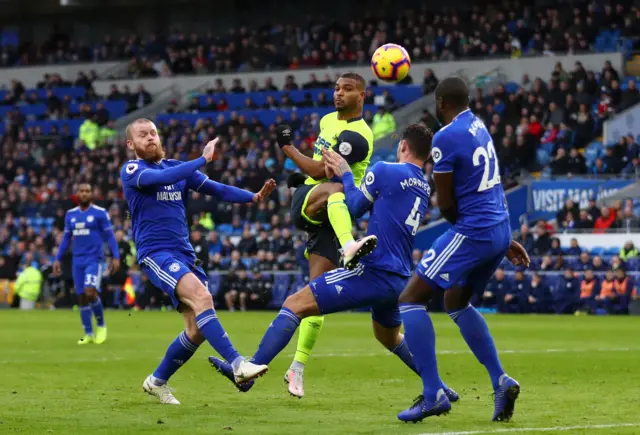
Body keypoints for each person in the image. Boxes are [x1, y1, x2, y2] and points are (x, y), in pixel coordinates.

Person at [209, 124, 458, 403]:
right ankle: (438, 386)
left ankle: (247, 372)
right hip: (399, 277)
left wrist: (347, 175)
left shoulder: (385, 170)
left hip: (373, 272)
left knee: (295, 304)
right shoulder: (423, 186)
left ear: (403, 146)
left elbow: (352, 206)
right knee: (388, 337)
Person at [394, 77, 529, 423]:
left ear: (440, 103)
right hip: (497, 227)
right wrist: (504, 239)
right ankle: (500, 380)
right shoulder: (479, 125)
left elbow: (447, 202)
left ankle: (433, 394)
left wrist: (466, 232)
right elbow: (492, 185)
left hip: (474, 230)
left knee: (410, 298)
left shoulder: (445, 137)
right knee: (455, 301)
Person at [120, 118, 276, 405]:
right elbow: (160, 180)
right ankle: (238, 364)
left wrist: (252, 197)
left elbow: (217, 189)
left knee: (196, 330)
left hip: (185, 254)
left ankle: (156, 381)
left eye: (154, 132)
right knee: (202, 296)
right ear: (132, 144)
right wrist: (201, 159)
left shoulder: (176, 168)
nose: (151, 138)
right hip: (156, 253)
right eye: (143, 135)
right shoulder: (133, 170)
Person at [271, 72, 377, 398]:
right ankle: (349, 245)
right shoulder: (327, 120)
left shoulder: (358, 136)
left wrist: (287, 148)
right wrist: (299, 172)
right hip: (312, 203)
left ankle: (297, 368)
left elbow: (318, 169)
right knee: (332, 189)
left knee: (315, 296)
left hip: (332, 215)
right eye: (336, 88)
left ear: (362, 95)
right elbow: (319, 172)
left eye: (347, 89)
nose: (338, 93)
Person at [53, 183, 120, 345]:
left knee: (90, 292)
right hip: (77, 260)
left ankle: (101, 326)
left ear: (91, 194)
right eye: (81, 191)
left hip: (94, 259)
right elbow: (66, 239)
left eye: (87, 191)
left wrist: (116, 256)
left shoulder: (100, 213)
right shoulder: (71, 215)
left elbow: (110, 236)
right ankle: (88, 333)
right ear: (77, 194)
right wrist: (57, 259)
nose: (84, 194)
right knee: (81, 297)